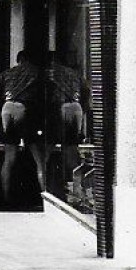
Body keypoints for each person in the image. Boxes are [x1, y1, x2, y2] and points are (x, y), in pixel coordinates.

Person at [0, 50, 48, 205]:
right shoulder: (38, 72)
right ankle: (45, 199)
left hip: (7, 108)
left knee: (9, 158)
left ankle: (6, 197)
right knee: (39, 159)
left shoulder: (7, 73)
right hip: (26, 108)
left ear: (18, 60)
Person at [47, 51, 91, 201]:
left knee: (51, 145)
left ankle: (59, 186)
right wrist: (82, 108)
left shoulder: (50, 74)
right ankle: (75, 186)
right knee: (71, 146)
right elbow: (86, 93)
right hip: (76, 107)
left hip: (59, 108)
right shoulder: (75, 74)